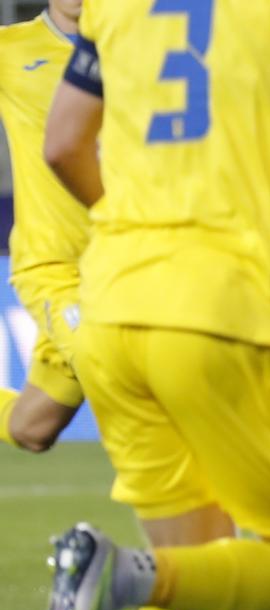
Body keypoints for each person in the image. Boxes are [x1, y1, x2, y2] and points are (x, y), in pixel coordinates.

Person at [22, 2, 270, 610]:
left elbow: (62, 142)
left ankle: (121, 576)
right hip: (224, 315)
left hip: (110, 309)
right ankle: (120, 575)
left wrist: (141, 238)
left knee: (194, 576)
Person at [0, 0, 88, 454]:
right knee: (132, 376)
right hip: (57, 269)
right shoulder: (11, 50)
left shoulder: (141, 47)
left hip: (135, 263)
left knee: (33, 428)